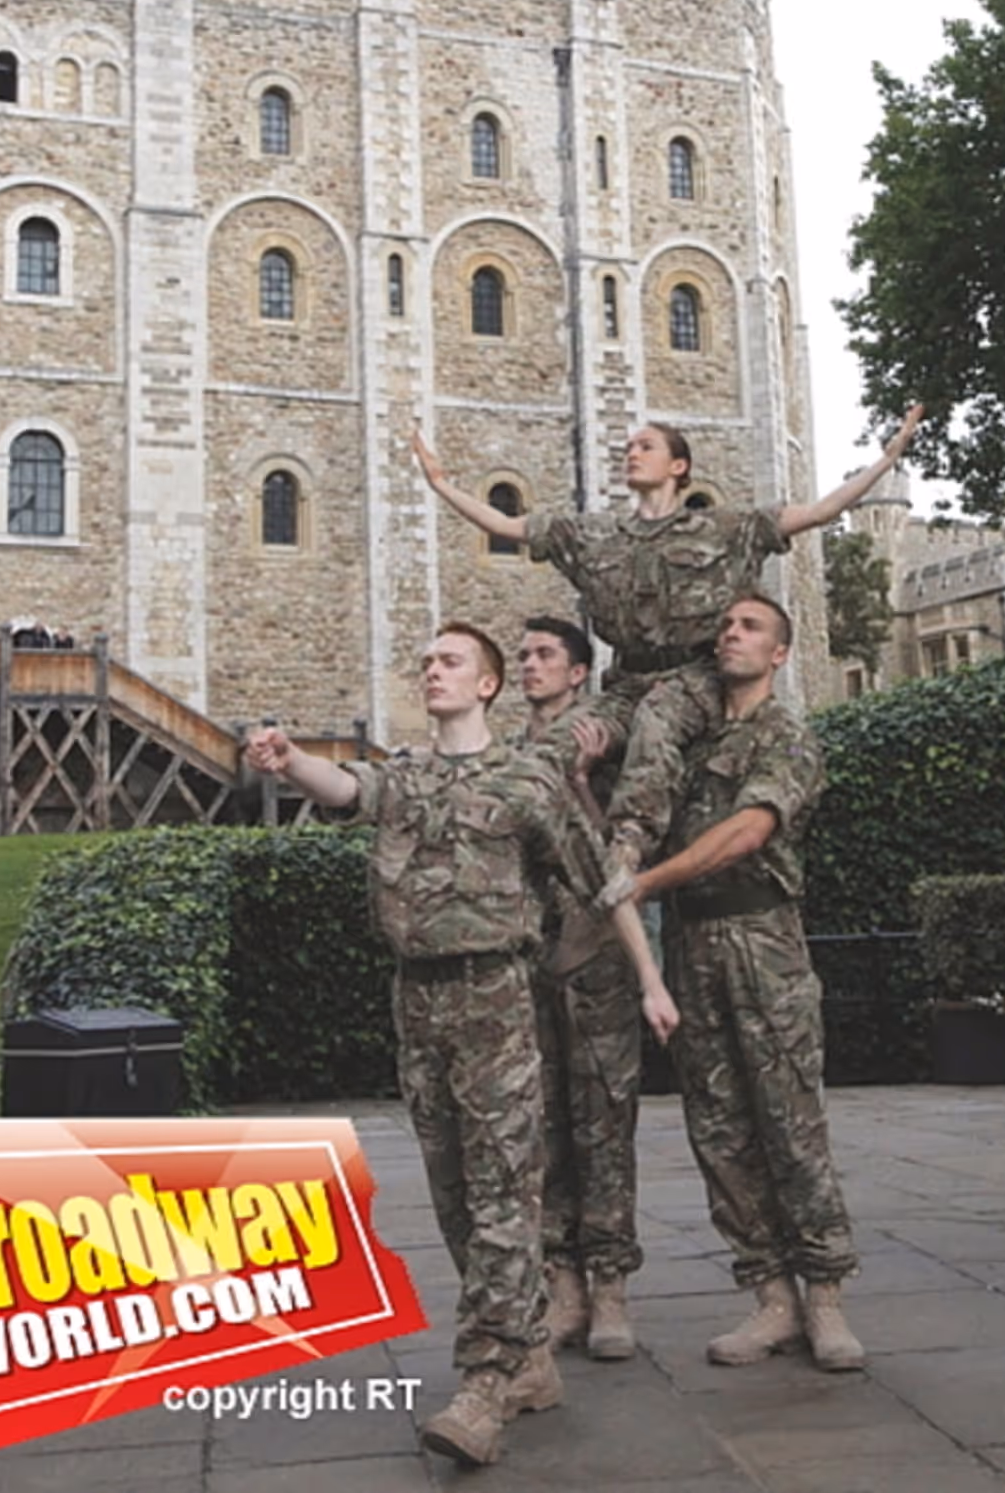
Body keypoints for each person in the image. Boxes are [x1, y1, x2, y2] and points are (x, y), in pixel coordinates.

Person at [244, 623, 677, 1468]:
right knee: (453, 1194)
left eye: (450, 662)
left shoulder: (527, 779)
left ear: (486, 686)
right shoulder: (405, 777)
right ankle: (530, 1355)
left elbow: (601, 883)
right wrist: (289, 760)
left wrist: (651, 981)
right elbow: (346, 788)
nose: (432, 671)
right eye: (427, 662)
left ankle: (486, 1381)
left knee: (504, 1193)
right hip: (418, 1000)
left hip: (496, 997)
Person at [616, 592, 865, 1372]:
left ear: (780, 653)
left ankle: (825, 1295)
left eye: (750, 627)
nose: (731, 634)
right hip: (693, 941)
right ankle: (771, 1296)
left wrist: (645, 882)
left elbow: (748, 832)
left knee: (789, 1120)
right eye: (726, 625)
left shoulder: (785, 736)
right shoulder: (689, 741)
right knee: (718, 1127)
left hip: (762, 940)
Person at [412, 411, 921, 742]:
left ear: (678, 466)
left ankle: (629, 859)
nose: (632, 454)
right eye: (629, 448)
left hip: (694, 681)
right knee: (561, 746)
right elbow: (507, 525)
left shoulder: (724, 528)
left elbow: (820, 511)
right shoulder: (593, 534)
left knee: (654, 734)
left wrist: (886, 461)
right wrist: (441, 486)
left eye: (646, 447)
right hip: (625, 683)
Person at [516, 616, 644, 1360]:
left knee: (604, 1125)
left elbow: (619, 858)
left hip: (596, 962)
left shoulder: (606, 749)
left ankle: (611, 1286)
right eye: (523, 655)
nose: (529, 665)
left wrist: (580, 784)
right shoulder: (511, 755)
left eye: (544, 655)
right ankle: (561, 1283)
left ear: (576, 673)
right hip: (530, 961)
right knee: (542, 1130)